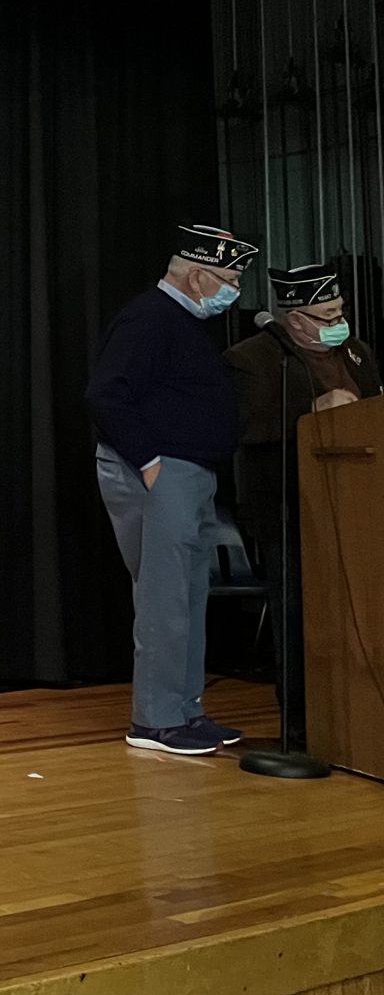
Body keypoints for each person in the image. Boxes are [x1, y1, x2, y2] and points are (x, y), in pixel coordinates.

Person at [86, 224, 260, 757]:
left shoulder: (180, 322)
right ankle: (156, 721)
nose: (233, 290)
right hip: (160, 475)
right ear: (198, 275)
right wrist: (151, 464)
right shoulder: (150, 318)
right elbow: (105, 395)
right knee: (164, 600)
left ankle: (185, 711)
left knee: (187, 597)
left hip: (191, 475)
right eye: (228, 278)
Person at [223, 262, 380, 742]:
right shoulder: (252, 358)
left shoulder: (356, 352)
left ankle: (359, 716)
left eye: (340, 312)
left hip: (359, 506)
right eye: (326, 315)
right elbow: (247, 429)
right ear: (295, 320)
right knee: (296, 612)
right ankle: (300, 722)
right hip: (289, 507)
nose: (338, 323)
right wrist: (311, 413)